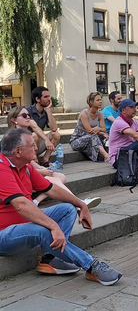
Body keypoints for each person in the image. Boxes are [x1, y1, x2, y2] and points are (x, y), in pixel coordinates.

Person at [0, 128, 122, 285]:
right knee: (44, 230)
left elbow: (52, 189)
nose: (37, 148)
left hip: (24, 226)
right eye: (32, 145)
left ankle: (51, 258)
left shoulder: (25, 167)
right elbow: (21, 205)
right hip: (4, 235)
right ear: (17, 151)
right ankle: (92, 266)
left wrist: (80, 205)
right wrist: (53, 227)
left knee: (67, 210)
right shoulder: (2, 169)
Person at [7, 107, 101, 208]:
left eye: (29, 115)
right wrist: (41, 172)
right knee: (52, 180)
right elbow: (16, 166)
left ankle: (36, 201)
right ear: (14, 120)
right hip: (17, 179)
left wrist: (41, 168)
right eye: (24, 115)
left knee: (61, 177)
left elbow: (28, 162)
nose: (28, 117)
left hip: (28, 174)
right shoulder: (13, 139)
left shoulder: (25, 134)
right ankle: (79, 203)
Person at [70, 92, 109, 162]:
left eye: (100, 100)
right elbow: (89, 131)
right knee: (93, 136)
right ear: (91, 102)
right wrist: (102, 133)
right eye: (98, 100)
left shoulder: (100, 114)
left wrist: (100, 130)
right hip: (77, 140)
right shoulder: (84, 113)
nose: (100, 102)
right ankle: (106, 156)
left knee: (107, 136)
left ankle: (109, 154)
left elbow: (103, 129)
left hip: (90, 138)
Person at [26, 86, 60, 167]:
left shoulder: (45, 111)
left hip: (38, 144)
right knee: (34, 135)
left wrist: (48, 111)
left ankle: (45, 160)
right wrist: (46, 140)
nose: (49, 99)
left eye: (49, 96)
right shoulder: (28, 110)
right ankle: (35, 163)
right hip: (26, 144)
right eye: (45, 97)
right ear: (37, 99)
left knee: (56, 134)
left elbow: (54, 128)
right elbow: (34, 127)